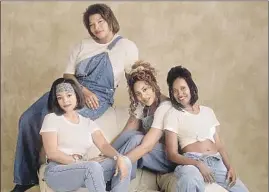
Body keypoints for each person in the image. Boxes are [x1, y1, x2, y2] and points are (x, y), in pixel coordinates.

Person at [12, 3, 138, 192]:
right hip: (72, 89)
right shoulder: (82, 45)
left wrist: (145, 104)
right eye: (92, 24)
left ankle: (64, 170)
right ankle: (26, 179)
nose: (97, 27)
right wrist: (82, 91)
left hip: (99, 97)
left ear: (110, 20)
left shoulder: (127, 46)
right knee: (28, 119)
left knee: (60, 119)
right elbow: (68, 75)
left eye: (100, 21)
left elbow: (134, 80)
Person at [163, 65, 249, 192]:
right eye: (175, 91)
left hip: (216, 162)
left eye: (183, 88)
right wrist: (198, 164)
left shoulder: (208, 112)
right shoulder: (172, 114)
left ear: (191, 87)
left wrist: (230, 167)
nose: (180, 94)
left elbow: (219, 145)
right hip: (192, 162)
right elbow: (172, 154)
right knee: (189, 179)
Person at [40, 78, 132, 192]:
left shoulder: (87, 122)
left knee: (125, 161)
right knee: (92, 167)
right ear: (56, 100)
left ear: (77, 95)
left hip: (83, 169)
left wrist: (118, 157)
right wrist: (82, 163)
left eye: (69, 95)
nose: (65, 100)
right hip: (57, 171)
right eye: (60, 97)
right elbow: (51, 153)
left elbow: (103, 145)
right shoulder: (52, 118)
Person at [111, 61, 176, 180]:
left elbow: (147, 145)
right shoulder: (143, 104)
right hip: (149, 153)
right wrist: (107, 153)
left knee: (137, 138)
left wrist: (122, 161)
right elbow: (126, 133)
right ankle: (108, 168)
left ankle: (112, 174)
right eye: (138, 94)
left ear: (153, 85)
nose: (143, 97)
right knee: (131, 135)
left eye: (145, 89)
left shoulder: (165, 106)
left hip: (168, 158)